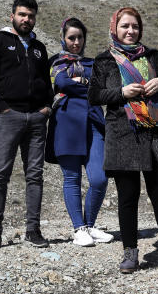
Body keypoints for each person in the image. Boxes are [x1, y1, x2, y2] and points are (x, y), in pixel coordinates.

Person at [88, 7, 158, 273]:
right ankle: (130, 254)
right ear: (115, 28)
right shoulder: (104, 61)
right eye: (125, 26)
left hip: (154, 133)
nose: (130, 31)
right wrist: (121, 93)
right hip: (122, 134)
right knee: (127, 197)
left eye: (134, 26)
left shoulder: (153, 57)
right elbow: (95, 95)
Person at [0, 0, 53, 250]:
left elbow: (47, 81)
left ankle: (33, 230)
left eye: (31, 16)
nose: (27, 19)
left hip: (36, 119)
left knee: (35, 176)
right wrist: (0, 105)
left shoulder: (39, 48)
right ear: (12, 15)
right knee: (0, 175)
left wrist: (47, 107)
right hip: (9, 116)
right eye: (22, 14)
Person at [45, 17, 111, 246]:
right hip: (66, 122)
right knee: (71, 177)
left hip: (94, 122)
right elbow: (61, 83)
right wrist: (86, 85)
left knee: (99, 178)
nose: (76, 42)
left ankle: (90, 225)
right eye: (71, 38)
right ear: (63, 38)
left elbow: (101, 89)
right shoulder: (55, 62)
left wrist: (81, 82)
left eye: (79, 37)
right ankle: (79, 228)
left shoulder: (95, 63)